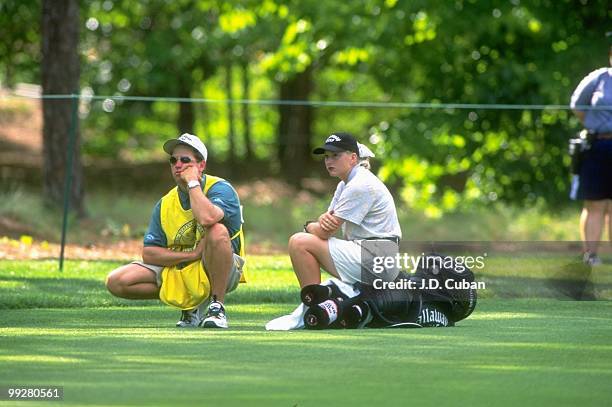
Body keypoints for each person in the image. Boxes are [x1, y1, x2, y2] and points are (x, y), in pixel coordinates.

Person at [106, 133, 245, 328]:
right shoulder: (165, 203)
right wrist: (192, 255)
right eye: (173, 160)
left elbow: (207, 218)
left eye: (185, 160)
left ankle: (216, 307)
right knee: (117, 281)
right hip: (182, 266)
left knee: (217, 231)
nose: (177, 164)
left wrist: (193, 183)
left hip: (222, 267)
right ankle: (190, 304)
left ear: (201, 165)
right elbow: (150, 253)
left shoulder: (221, 189)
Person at [288, 132, 402, 288]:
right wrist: (321, 223)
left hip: (377, 258)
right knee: (302, 241)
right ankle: (316, 304)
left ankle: (314, 303)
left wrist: (308, 225)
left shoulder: (360, 184)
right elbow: (326, 224)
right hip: (369, 253)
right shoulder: (346, 183)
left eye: (335, 155)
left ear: (353, 158)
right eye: (327, 156)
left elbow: (324, 231)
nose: (329, 161)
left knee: (299, 242)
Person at [569, 37, 612, 266]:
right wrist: (597, 127)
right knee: (595, 203)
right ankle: (591, 255)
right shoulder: (600, 77)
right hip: (598, 146)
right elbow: (577, 105)